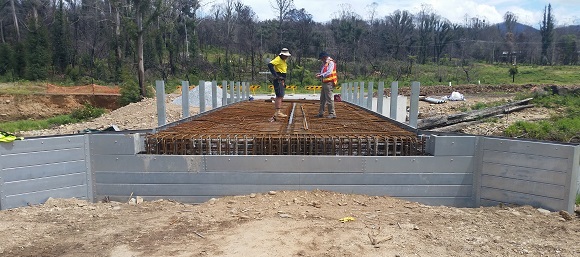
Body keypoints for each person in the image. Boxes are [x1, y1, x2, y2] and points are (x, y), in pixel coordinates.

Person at [267, 48, 291, 120]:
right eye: (286, 55)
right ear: (282, 55)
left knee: (281, 95)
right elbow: (270, 65)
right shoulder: (278, 59)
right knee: (279, 96)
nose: (287, 57)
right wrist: (276, 76)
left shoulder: (283, 60)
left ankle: (278, 111)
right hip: (279, 80)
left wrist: (283, 81)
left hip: (281, 80)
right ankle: (278, 112)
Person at [315, 52, 338, 118]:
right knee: (322, 99)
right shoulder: (326, 63)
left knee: (329, 99)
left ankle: (332, 113)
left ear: (324, 57)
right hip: (325, 82)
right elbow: (324, 72)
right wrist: (320, 74)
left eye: (321, 58)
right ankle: (321, 113)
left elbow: (329, 72)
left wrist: (321, 75)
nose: (321, 60)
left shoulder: (331, 63)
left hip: (329, 83)